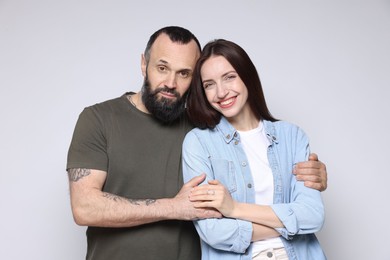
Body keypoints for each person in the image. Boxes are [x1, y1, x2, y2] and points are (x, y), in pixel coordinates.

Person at [66, 26, 328, 260]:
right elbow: (84, 207)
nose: (170, 82)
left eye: (184, 73)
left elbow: (263, 159)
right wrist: (174, 207)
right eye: (162, 67)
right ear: (143, 64)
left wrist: (311, 174)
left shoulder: (204, 127)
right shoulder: (99, 119)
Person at [182, 39, 326, 259]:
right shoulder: (199, 143)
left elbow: (313, 216)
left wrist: (234, 209)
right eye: (209, 84)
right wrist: (290, 223)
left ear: (247, 76)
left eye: (229, 77)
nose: (221, 92)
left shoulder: (292, 136)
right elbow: (213, 232)